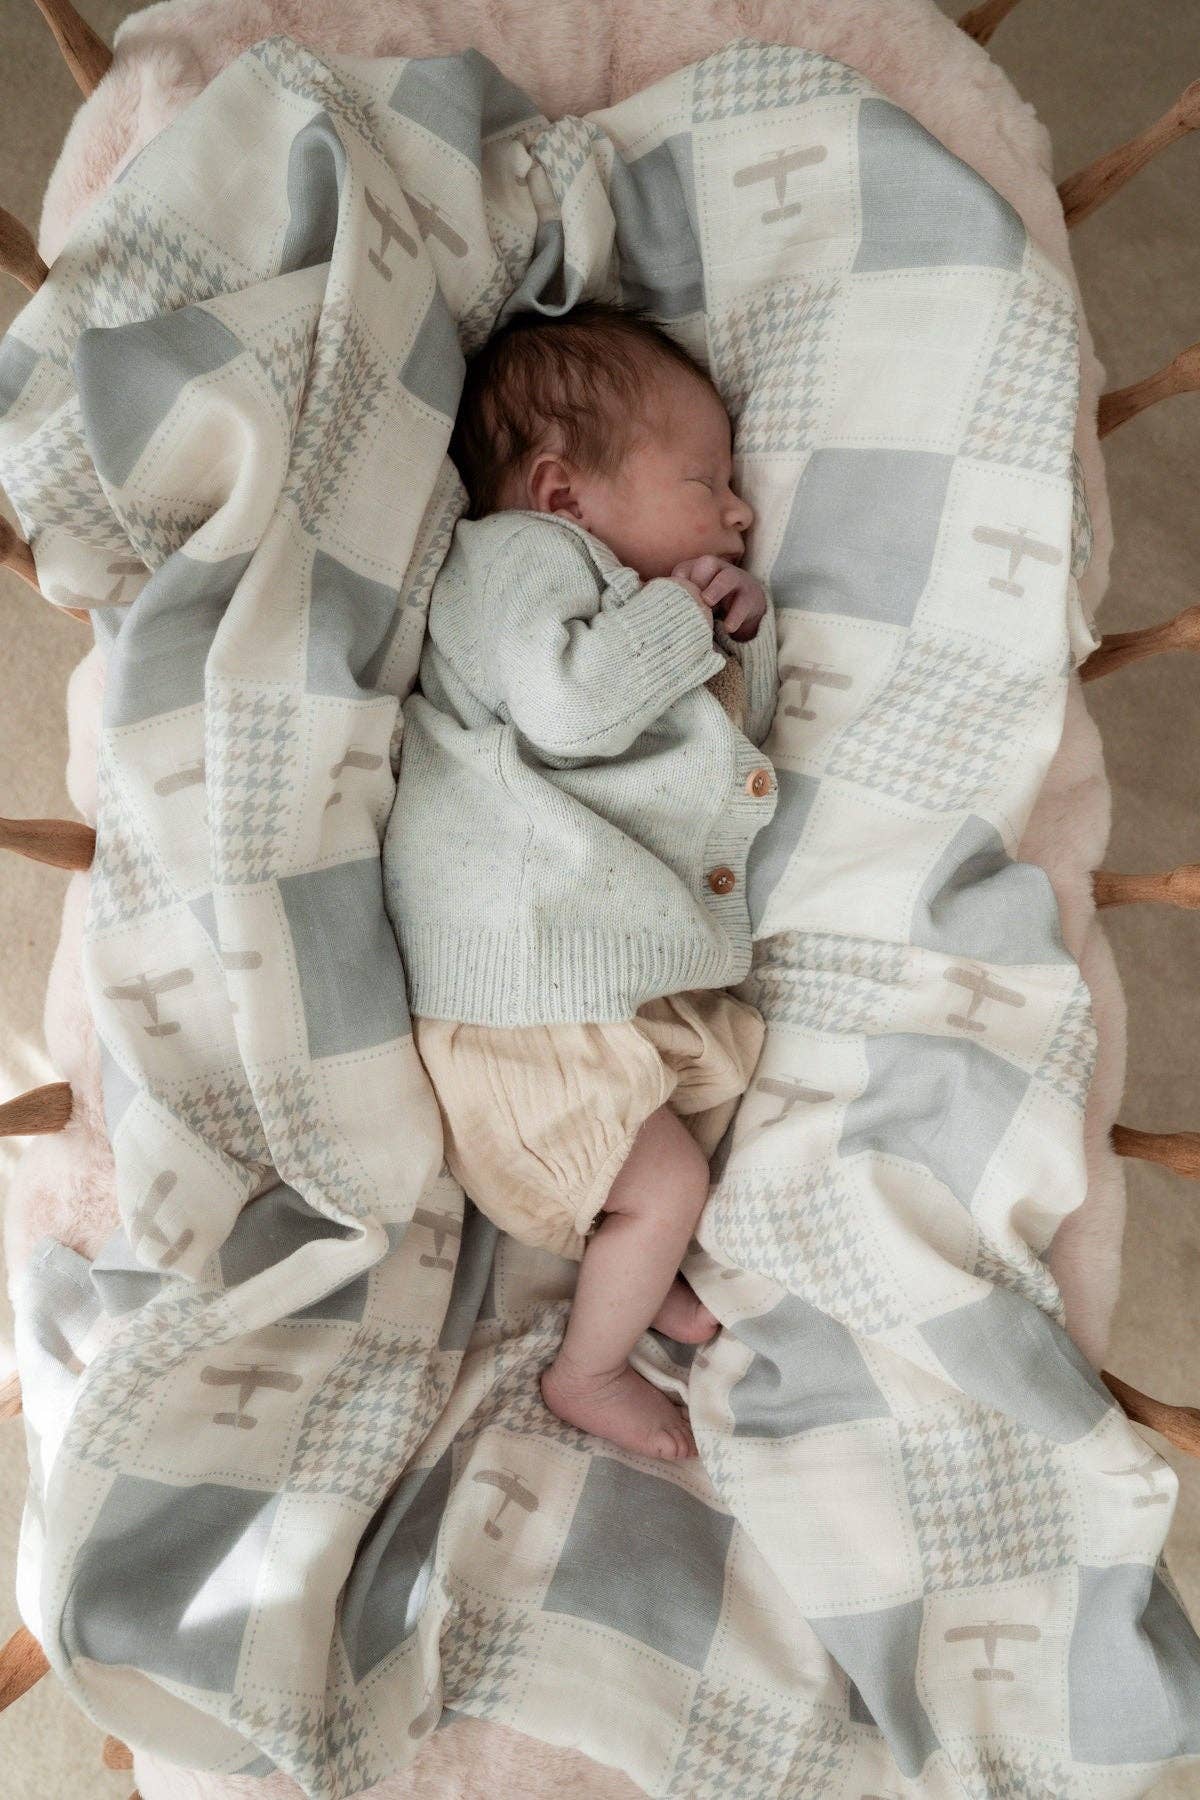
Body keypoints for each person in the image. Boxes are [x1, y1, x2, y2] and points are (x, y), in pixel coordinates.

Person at [385, 298, 780, 1460]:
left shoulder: (623, 604)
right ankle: (587, 1369)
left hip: (571, 986)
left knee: (684, 1149)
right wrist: (682, 619)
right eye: (705, 480)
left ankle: (639, 1267)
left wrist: (736, 635)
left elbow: (700, 747)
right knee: (668, 1184)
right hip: (522, 990)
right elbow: (570, 708)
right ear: (562, 494)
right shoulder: (518, 560)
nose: (741, 509)